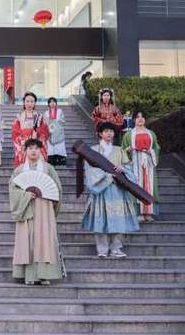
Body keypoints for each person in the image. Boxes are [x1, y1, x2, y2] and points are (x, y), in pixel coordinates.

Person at [9, 139, 64, 285]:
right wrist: (25, 195)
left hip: (44, 208)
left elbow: (57, 189)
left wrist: (53, 202)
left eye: (36, 148)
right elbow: (13, 190)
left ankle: (44, 275)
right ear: (25, 151)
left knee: (44, 240)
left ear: (41, 151)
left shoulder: (48, 169)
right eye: (30, 148)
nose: (33, 151)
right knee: (27, 241)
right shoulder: (19, 170)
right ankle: (28, 275)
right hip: (26, 208)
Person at [81, 122, 140, 258]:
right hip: (101, 190)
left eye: (111, 131)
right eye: (106, 131)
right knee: (100, 220)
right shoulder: (93, 150)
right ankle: (102, 249)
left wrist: (123, 169)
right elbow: (89, 170)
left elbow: (129, 168)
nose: (109, 134)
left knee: (119, 220)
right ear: (100, 134)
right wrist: (108, 177)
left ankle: (116, 248)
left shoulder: (119, 150)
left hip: (118, 190)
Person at [121, 110, 160, 223]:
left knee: (148, 186)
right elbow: (123, 150)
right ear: (134, 119)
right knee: (136, 185)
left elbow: (156, 147)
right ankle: (137, 213)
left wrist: (151, 151)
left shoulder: (151, 134)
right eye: (137, 117)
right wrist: (127, 151)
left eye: (142, 117)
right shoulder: (128, 135)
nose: (140, 119)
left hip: (148, 163)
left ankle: (148, 213)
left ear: (145, 119)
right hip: (134, 162)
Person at [11, 92, 49, 168]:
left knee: (38, 166)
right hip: (23, 145)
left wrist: (38, 134)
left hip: (36, 143)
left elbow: (45, 131)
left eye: (32, 101)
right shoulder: (19, 117)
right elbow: (15, 132)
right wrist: (24, 137)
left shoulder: (39, 117)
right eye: (27, 101)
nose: (29, 104)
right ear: (24, 102)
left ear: (34, 103)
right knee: (24, 167)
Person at [44, 97, 67, 166]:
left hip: (58, 132)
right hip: (50, 132)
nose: (52, 103)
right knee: (50, 148)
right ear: (48, 104)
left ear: (56, 103)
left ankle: (60, 161)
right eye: (50, 102)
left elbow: (63, 121)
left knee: (59, 147)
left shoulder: (60, 111)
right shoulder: (46, 113)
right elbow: (44, 122)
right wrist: (49, 124)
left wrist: (56, 121)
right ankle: (51, 161)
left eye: (54, 102)